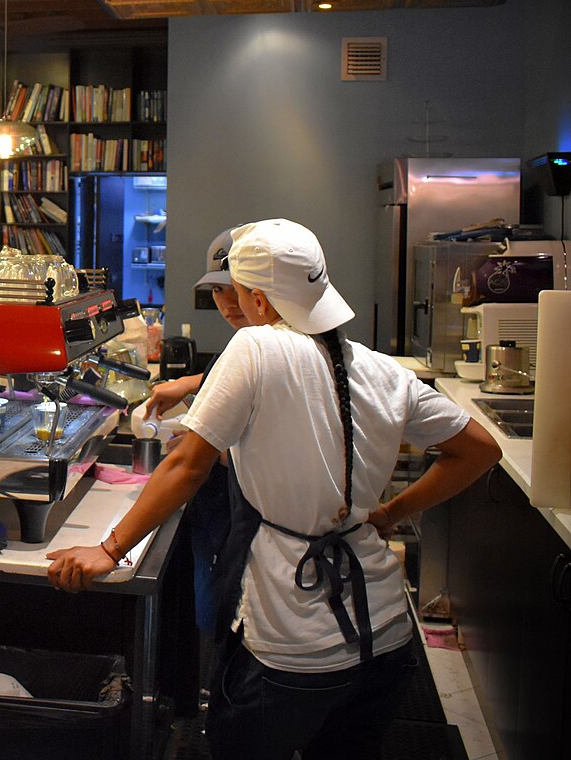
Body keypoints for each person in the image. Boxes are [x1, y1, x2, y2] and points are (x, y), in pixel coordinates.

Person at [48, 218, 501, 760]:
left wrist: (107, 550)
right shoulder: (383, 371)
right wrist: (388, 514)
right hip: (385, 638)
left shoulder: (255, 348)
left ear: (259, 300)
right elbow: (479, 449)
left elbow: (187, 466)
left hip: (294, 646)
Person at [133, 228, 248, 653]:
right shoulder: (243, 347)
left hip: (239, 519)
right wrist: (192, 381)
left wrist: (111, 548)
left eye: (237, 289)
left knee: (221, 617)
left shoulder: (274, 349)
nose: (228, 303)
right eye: (219, 291)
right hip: (217, 512)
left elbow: (192, 464)